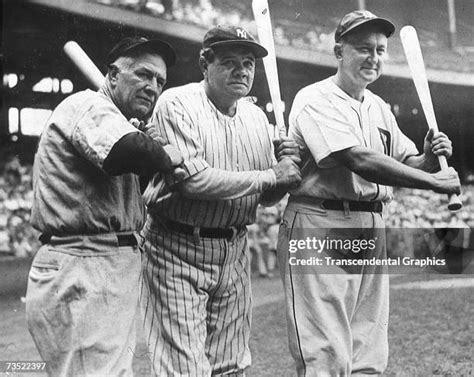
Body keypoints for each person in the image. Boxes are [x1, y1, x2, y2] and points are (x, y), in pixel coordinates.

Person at [277, 10, 461, 376]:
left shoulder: (378, 107)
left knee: (368, 351)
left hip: (370, 223)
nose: (373, 57)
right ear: (338, 51)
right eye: (363, 48)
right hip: (320, 219)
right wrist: (434, 182)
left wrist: (428, 156)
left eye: (379, 50)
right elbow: (357, 159)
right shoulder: (316, 98)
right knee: (326, 352)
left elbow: (408, 160)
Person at [140, 25, 301, 376]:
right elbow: (193, 182)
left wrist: (286, 169)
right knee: (184, 367)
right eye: (229, 62)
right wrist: (273, 175)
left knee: (231, 364)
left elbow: (266, 196)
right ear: (204, 63)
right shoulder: (176, 104)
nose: (242, 70)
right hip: (176, 246)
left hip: (234, 249)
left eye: (248, 63)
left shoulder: (257, 118)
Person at [25, 37, 184, 376]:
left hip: (102, 264)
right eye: (143, 74)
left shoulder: (118, 120)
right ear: (112, 76)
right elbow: (125, 152)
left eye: (159, 81)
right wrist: (164, 153)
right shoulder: (87, 105)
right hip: (83, 264)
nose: (152, 86)